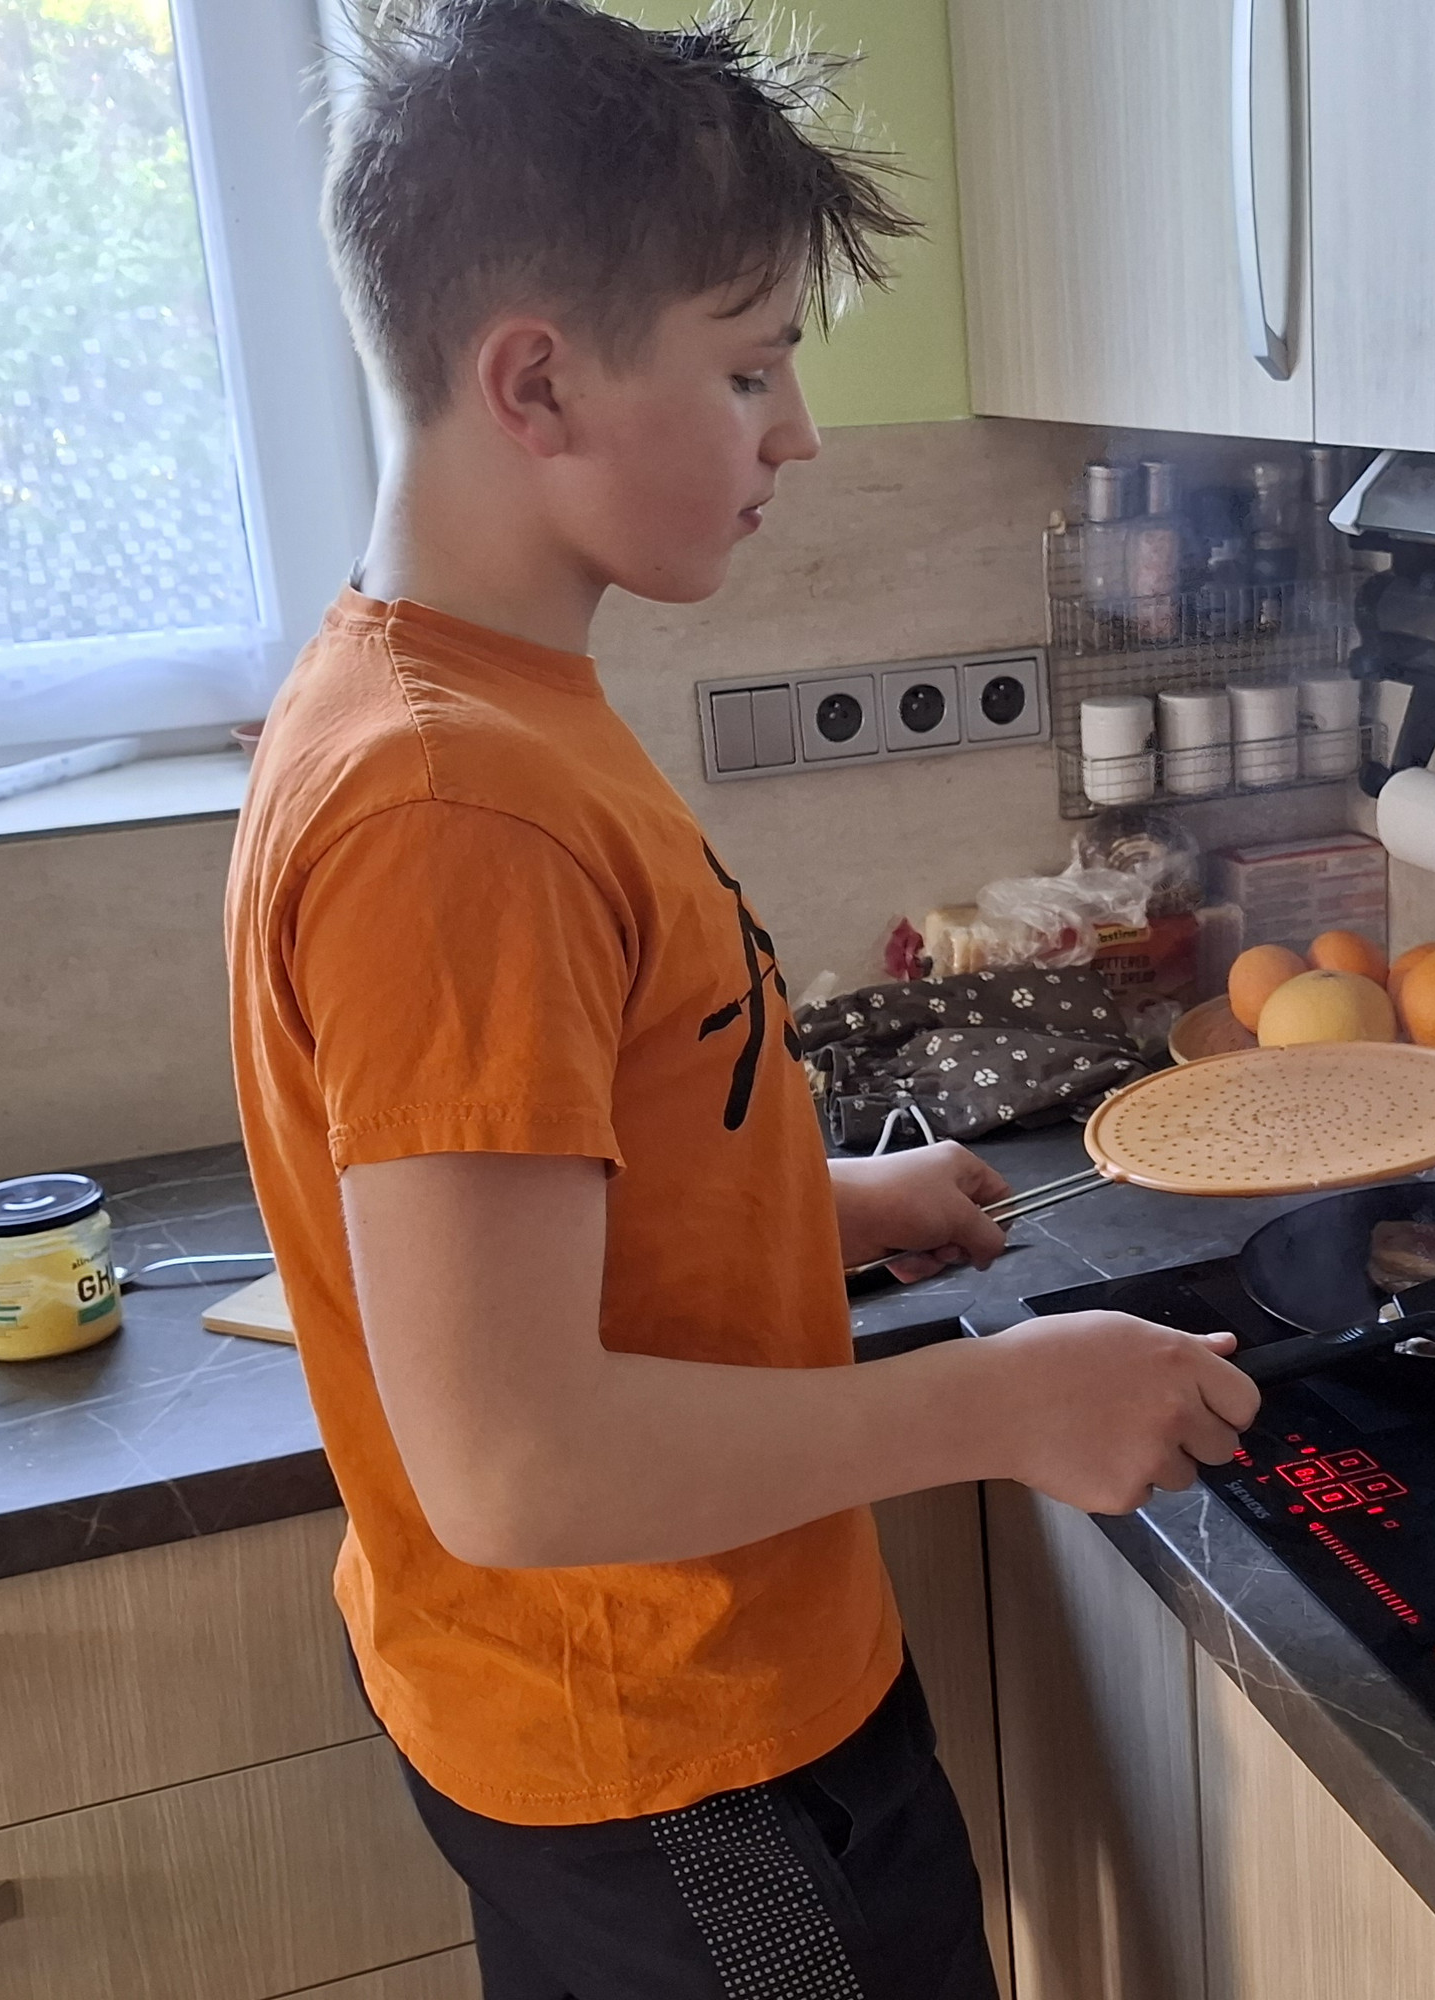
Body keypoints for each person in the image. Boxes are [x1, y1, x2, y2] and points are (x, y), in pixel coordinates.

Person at [223, 4, 1262, 1994]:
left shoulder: (470, 706)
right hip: (674, 1760)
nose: (795, 431)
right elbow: (516, 1465)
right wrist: (1009, 1400)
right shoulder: (452, 805)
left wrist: (822, 1208)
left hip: (651, 1710)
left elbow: (585, 1164)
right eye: (748, 364)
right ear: (535, 381)